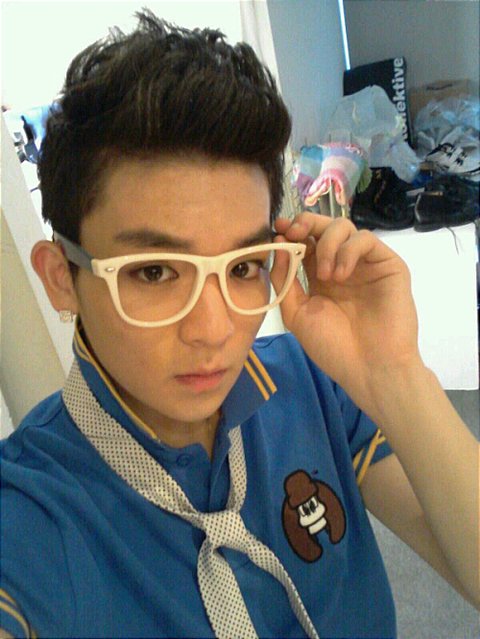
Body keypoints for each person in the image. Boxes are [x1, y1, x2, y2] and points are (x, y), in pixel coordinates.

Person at [0, 10, 478, 638]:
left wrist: (397, 375)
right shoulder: (25, 523)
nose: (213, 329)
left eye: (244, 266)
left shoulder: (310, 384)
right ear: (62, 277)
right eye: (154, 272)